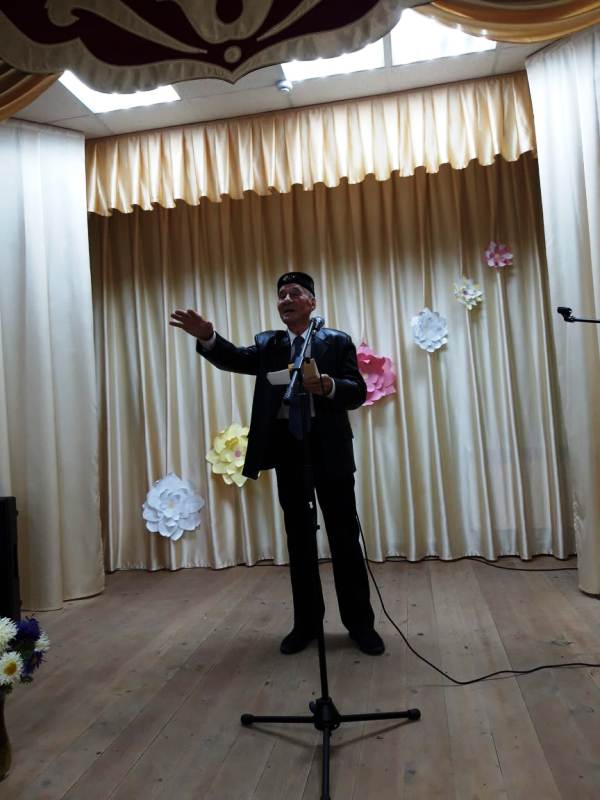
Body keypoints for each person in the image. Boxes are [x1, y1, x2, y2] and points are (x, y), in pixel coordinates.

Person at [170, 272, 384, 656]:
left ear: (312, 302)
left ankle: (360, 625)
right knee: (299, 542)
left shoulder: (336, 341)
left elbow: (357, 392)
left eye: (294, 293)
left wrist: (331, 386)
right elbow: (233, 359)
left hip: (331, 452)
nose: (286, 299)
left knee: (344, 539)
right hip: (290, 452)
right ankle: (306, 625)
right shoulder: (269, 344)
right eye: (281, 294)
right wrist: (208, 336)